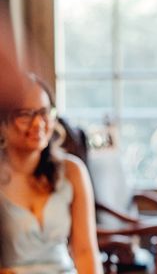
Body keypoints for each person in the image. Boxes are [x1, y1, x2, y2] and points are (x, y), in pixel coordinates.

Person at [0, 73, 102, 273]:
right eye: (25, 114)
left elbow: (85, 252)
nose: (38, 123)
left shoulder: (73, 171)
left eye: (44, 112)